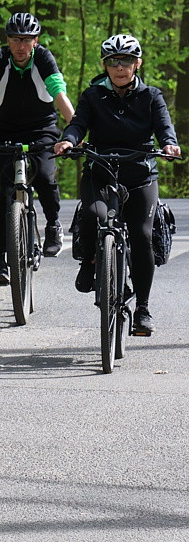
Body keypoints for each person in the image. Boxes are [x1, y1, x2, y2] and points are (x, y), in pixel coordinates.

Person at [53, 34, 181, 336]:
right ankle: (91, 260)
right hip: (101, 172)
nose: (119, 67)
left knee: (140, 234)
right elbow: (77, 123)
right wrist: (68, 140)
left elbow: (164, 127)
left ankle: (143, 308)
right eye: (113, 61)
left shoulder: (151, 96)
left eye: (126, 60)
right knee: (93, 215)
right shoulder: (93, 95)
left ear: (138, 63)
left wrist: (170, 144)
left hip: (140, 176)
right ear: (105, 65)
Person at [0, 12, 75, 286]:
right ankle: (0, 260)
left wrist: (75, 130)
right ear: (7, 40)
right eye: (15, 40)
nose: (21, 46)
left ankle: (54, 223)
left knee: (44, 175)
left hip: (41, 130)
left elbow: (59, 94)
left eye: (27, 40)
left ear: (36, 41)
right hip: (6, 132)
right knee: (5, 193)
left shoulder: (43, 58)